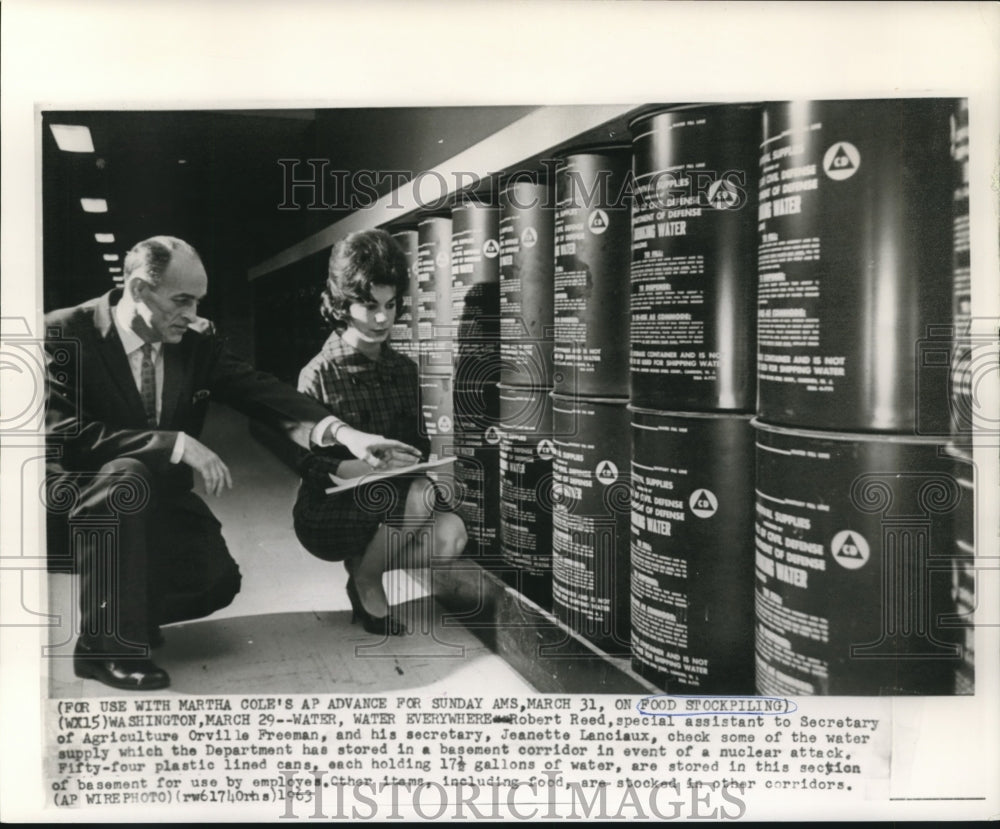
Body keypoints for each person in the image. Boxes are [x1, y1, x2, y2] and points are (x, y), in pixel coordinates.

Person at [45, 235, 422, 691]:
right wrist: (174, 444)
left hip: (160, 501)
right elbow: (63, 438)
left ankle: (127, 612)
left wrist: (348, 434)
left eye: (199, 301)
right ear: (140, 289)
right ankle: (104, 647)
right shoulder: (65, 332)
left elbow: (260, 392)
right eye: (181, 300)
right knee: (126, 474)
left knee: (216, 582)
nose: (193, 314)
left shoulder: (195, 338)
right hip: (87, 501)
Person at [293, 229, 467, 635]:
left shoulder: (403, 369)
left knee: (452, 537)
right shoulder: (317, 373)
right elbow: (308, 465)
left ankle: (364, 566)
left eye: (390, 305)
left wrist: (411, 457)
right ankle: (370, 580)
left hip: (393, 504)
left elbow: (418, 443)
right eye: (369, 305)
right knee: (421, 492)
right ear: (341, 304)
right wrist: (364, 466)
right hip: (329, 510)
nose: (381, 319)